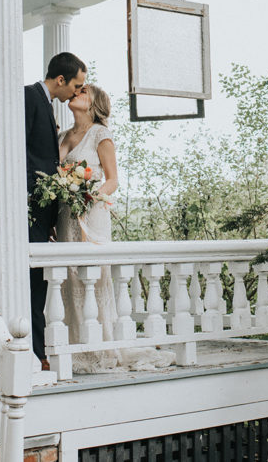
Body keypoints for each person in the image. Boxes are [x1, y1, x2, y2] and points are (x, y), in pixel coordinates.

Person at [56, 84, 174, 373]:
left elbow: (112, 180)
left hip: (91, 212)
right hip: (64, 214)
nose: (75, 94)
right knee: (69, 278)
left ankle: (100, 348)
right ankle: (73, 348)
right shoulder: (62, 135)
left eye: (82, 92)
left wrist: (88, 196)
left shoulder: (100, 134)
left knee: (93, 276)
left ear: (94, 103)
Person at [26, 52, 86, 369]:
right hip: (29, 209)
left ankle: (38, 350)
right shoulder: (28, 96)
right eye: (76, 86)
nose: (77, 93)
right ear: (60, 80)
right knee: (32, 282)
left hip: (43, 212)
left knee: (39, 283)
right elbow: (20, 151)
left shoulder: (47, 104)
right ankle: (35, 353)